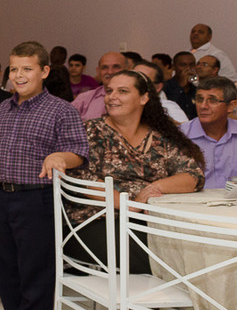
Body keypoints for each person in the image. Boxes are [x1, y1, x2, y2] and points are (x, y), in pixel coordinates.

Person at [0, 41, 87, 310]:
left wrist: (57, 156)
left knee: (35, 272)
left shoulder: (61, 110)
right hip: (3, 195)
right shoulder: (4, 109)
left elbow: (78, 152)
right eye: (14, 69)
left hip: (37, 198)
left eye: (27, 69)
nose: (19, 75)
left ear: (45, 71)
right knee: (5, 268)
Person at [66, 70, 204, 271]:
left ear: (144, 98)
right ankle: (143, 302)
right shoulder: (90, 131)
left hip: (147, 222)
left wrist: (154, 187)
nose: (112, 97)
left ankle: (155, 302)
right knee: (165, 256)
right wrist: (129, 205)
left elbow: (193, 175)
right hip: (93, 222)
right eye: (110, 91)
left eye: (122, 91)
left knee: (191, 247)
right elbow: (79, 177)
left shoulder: (160, 137)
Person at [180, 77, 237, 189]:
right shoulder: (180, 135)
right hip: (188, 202)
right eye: (199, 99)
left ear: (231, 106)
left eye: (212, 100)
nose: (203, 106)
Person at [71, 51, 129, 121]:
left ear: (128, 70)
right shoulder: (84, 99)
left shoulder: (136, 99)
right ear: (98, 71)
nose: (110, 72)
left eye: (116, 67)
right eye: (104, 67)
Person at [163, 51, 198, 119]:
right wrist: (180, 88)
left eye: (192, 64)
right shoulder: (165, 87)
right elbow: (167, 110)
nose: (188, 68)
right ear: (173, 67)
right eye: (183, 65)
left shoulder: (197, 89)